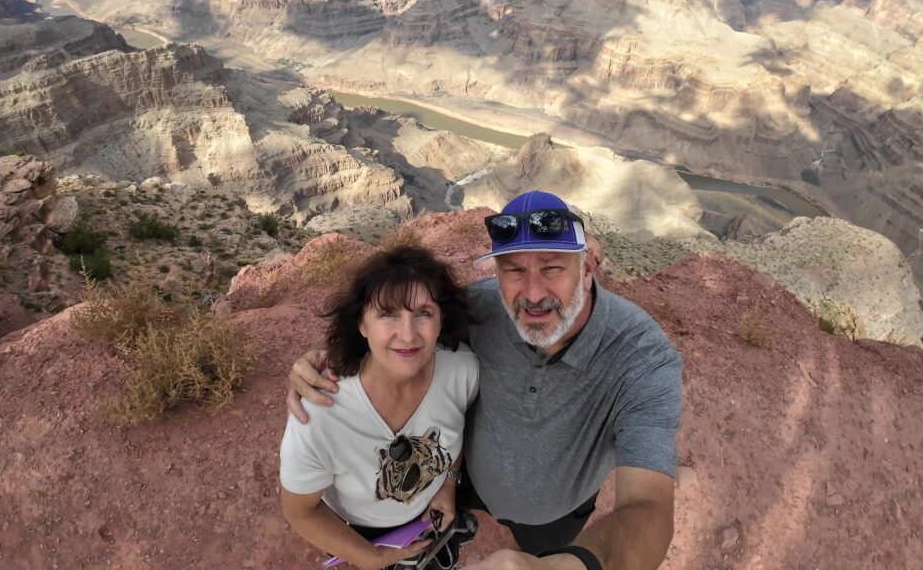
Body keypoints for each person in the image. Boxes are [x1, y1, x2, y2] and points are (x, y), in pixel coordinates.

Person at [289, 191, 683, 570]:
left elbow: (648, 505)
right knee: (442, 522)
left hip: (554, 514)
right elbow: (399, 329)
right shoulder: (481, 306)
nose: (532, 293)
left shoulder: (642, 358)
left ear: (587, 267)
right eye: (514, 270)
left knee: (545, 552)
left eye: (552, 267)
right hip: (466, 481)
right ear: (496, 273)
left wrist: (567, 566)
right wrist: (321, 360)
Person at [279, 245, 480, 570]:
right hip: (363, 531)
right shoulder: (319, 414)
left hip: (430, 514)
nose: (408, 334)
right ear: (362, 324)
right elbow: (300, 510)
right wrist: (368, 557)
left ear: (441, 320)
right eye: (388, 314)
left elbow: (453, 434)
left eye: (423, 313)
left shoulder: (463, 371)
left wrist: (447, 485)